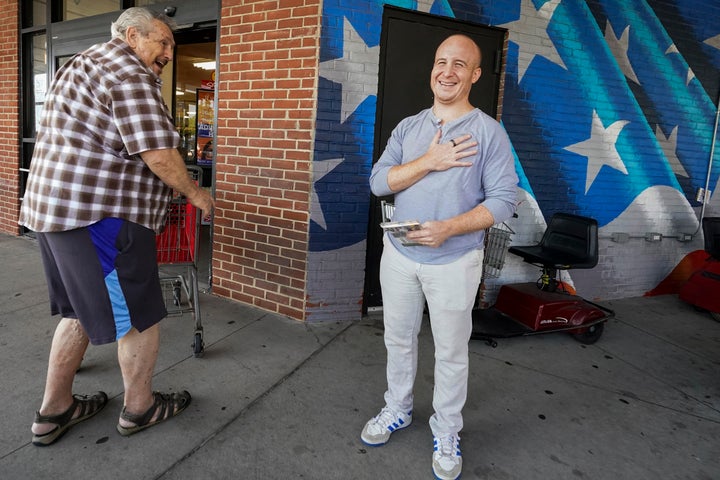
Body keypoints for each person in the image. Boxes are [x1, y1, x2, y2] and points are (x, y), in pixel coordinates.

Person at [19, 7, 215, 446]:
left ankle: (55, 410)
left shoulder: (82, 63)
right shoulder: (129, 73)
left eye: (171, 45)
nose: (168, 51)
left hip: (57, 216)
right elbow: (158, 153)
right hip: (101, 218)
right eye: (162, 41)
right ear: (132, 36)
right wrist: (198, 195)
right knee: (139, 318)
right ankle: (140, 408)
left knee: (78, 312)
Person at [363, 34, 517, 480]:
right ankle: (397, 408)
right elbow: (378, 182)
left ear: (475, 74)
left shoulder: (488, 132)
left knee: (451, 352)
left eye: (459, 64)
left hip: (455, 261)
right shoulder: (410, 128)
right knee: (398, 338)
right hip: (398, 256)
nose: (447, 72)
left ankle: (447, 429)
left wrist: (449, 227)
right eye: (441, 62)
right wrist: (430, 161)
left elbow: (505, 200)